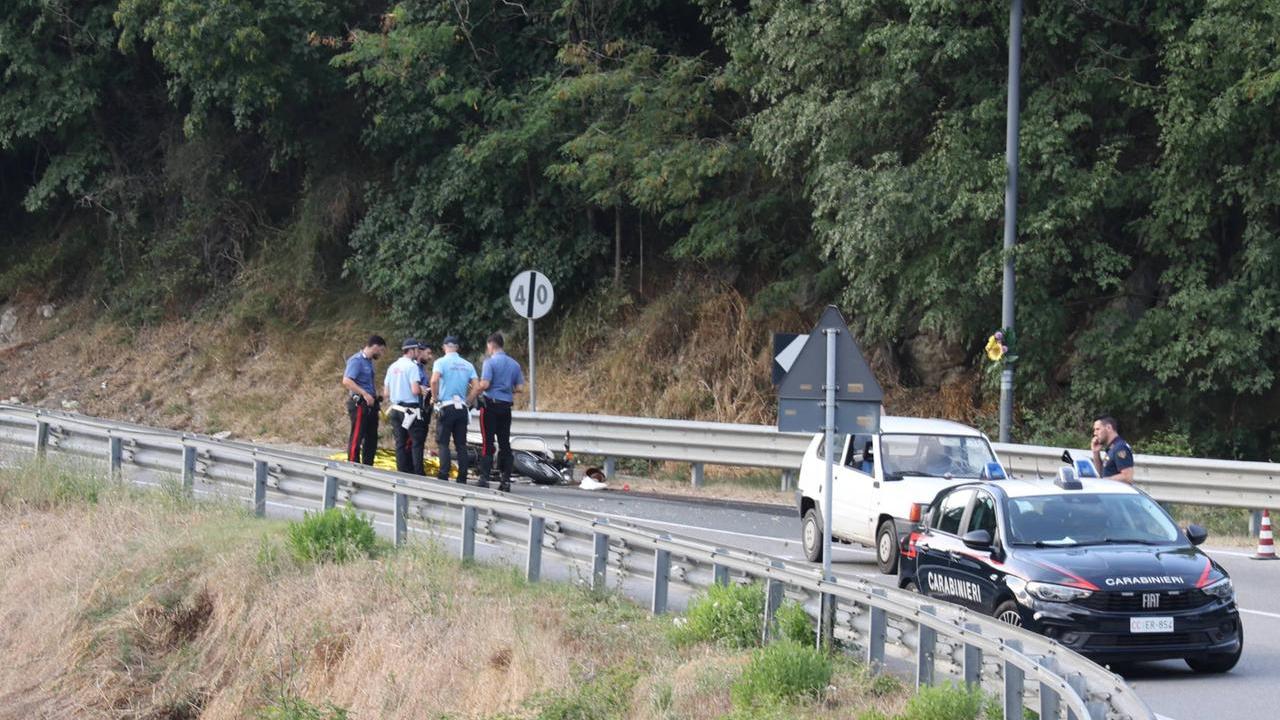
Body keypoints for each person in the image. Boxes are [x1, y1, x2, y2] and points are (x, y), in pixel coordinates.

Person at [476, 332, 525, 491]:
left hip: (490, 405)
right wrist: (506, 388)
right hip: (505, 407)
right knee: (505, 444)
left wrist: (473, 393)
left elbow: (485, 384)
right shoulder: (515, 364)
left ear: (491, 345)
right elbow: (519, 388)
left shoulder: (489, 363)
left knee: (487, 443)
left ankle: (484, 478)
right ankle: (505, 480)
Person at [431, 335, 479, 483]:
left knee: (444, 442)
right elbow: (477, 386)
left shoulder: (440, 362)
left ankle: (444, 474)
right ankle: (462, 476)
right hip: (462, 409)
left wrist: (435, 398)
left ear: (444, 347)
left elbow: (434, 380)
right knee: (461, 444)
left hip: (446, 406)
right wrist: (468, 401)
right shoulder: (467, 364)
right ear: (457, 348)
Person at [384, 338, 427, 475]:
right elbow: (415, 390)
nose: (418, 353)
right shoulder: (412, 366)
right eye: (417, 350)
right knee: (416, 442)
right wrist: (422, 389)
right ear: (412, 350)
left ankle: (402, 472)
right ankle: (418, 473)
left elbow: (386, 392)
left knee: (400, 443)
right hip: (410, 409)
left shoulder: (393, 366)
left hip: (395, 408)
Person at [341, 335, 386, 465]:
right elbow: (347, 381)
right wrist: (365, 394)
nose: (381, 354)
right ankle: (353, 464)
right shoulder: (356, 360)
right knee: (357, 435)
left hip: (370, 405)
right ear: (375, 346)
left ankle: (368, 466)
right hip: (360, 404)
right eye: (381, 350)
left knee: (371, 437)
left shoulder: (369, 362)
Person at [1091, 415, 1134, 483]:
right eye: (1094, 430)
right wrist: (1096, 452)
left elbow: (1127, 477)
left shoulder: (1120, 447)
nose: (1095, 433)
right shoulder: (1112, 448)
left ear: (1109, 427)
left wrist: (1103, 481)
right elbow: (1101, 474)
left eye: (1098, 429)